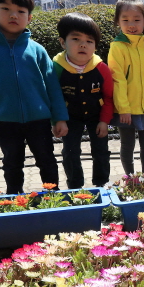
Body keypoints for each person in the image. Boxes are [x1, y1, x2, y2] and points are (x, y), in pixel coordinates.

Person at [0, 0, 69, 194]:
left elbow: (52, 87)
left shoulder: (37, 50)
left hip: (39, 120)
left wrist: (59, 118)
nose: (13, 15)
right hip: (5, 120)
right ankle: (15, 200)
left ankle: (53, 198)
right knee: (12, 163)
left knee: (47, 160)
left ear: (29, 17)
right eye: (6, 8)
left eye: (21, 11)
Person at [53, 13, 114, 188]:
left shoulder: (101, 68)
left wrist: (104, 121)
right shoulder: (56, 68)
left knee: (101, 150)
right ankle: (75, 187)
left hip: (96, 116)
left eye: (89, 41)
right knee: (70, 152)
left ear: (95, 46)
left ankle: (102, 184)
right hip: (69, 117)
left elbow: (108, 97)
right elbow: (53, 96)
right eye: (76, 39)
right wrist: (58, 120)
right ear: (63, 42)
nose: (83, 44)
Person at [108, 0, 144, 175]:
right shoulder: (117, 47)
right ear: (118, 22)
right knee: (127, 145)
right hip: (127, 110)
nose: (131, 24)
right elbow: (117, 79)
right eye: (125, 20)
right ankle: (130, 179)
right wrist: (123, 108)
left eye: (137, 20)